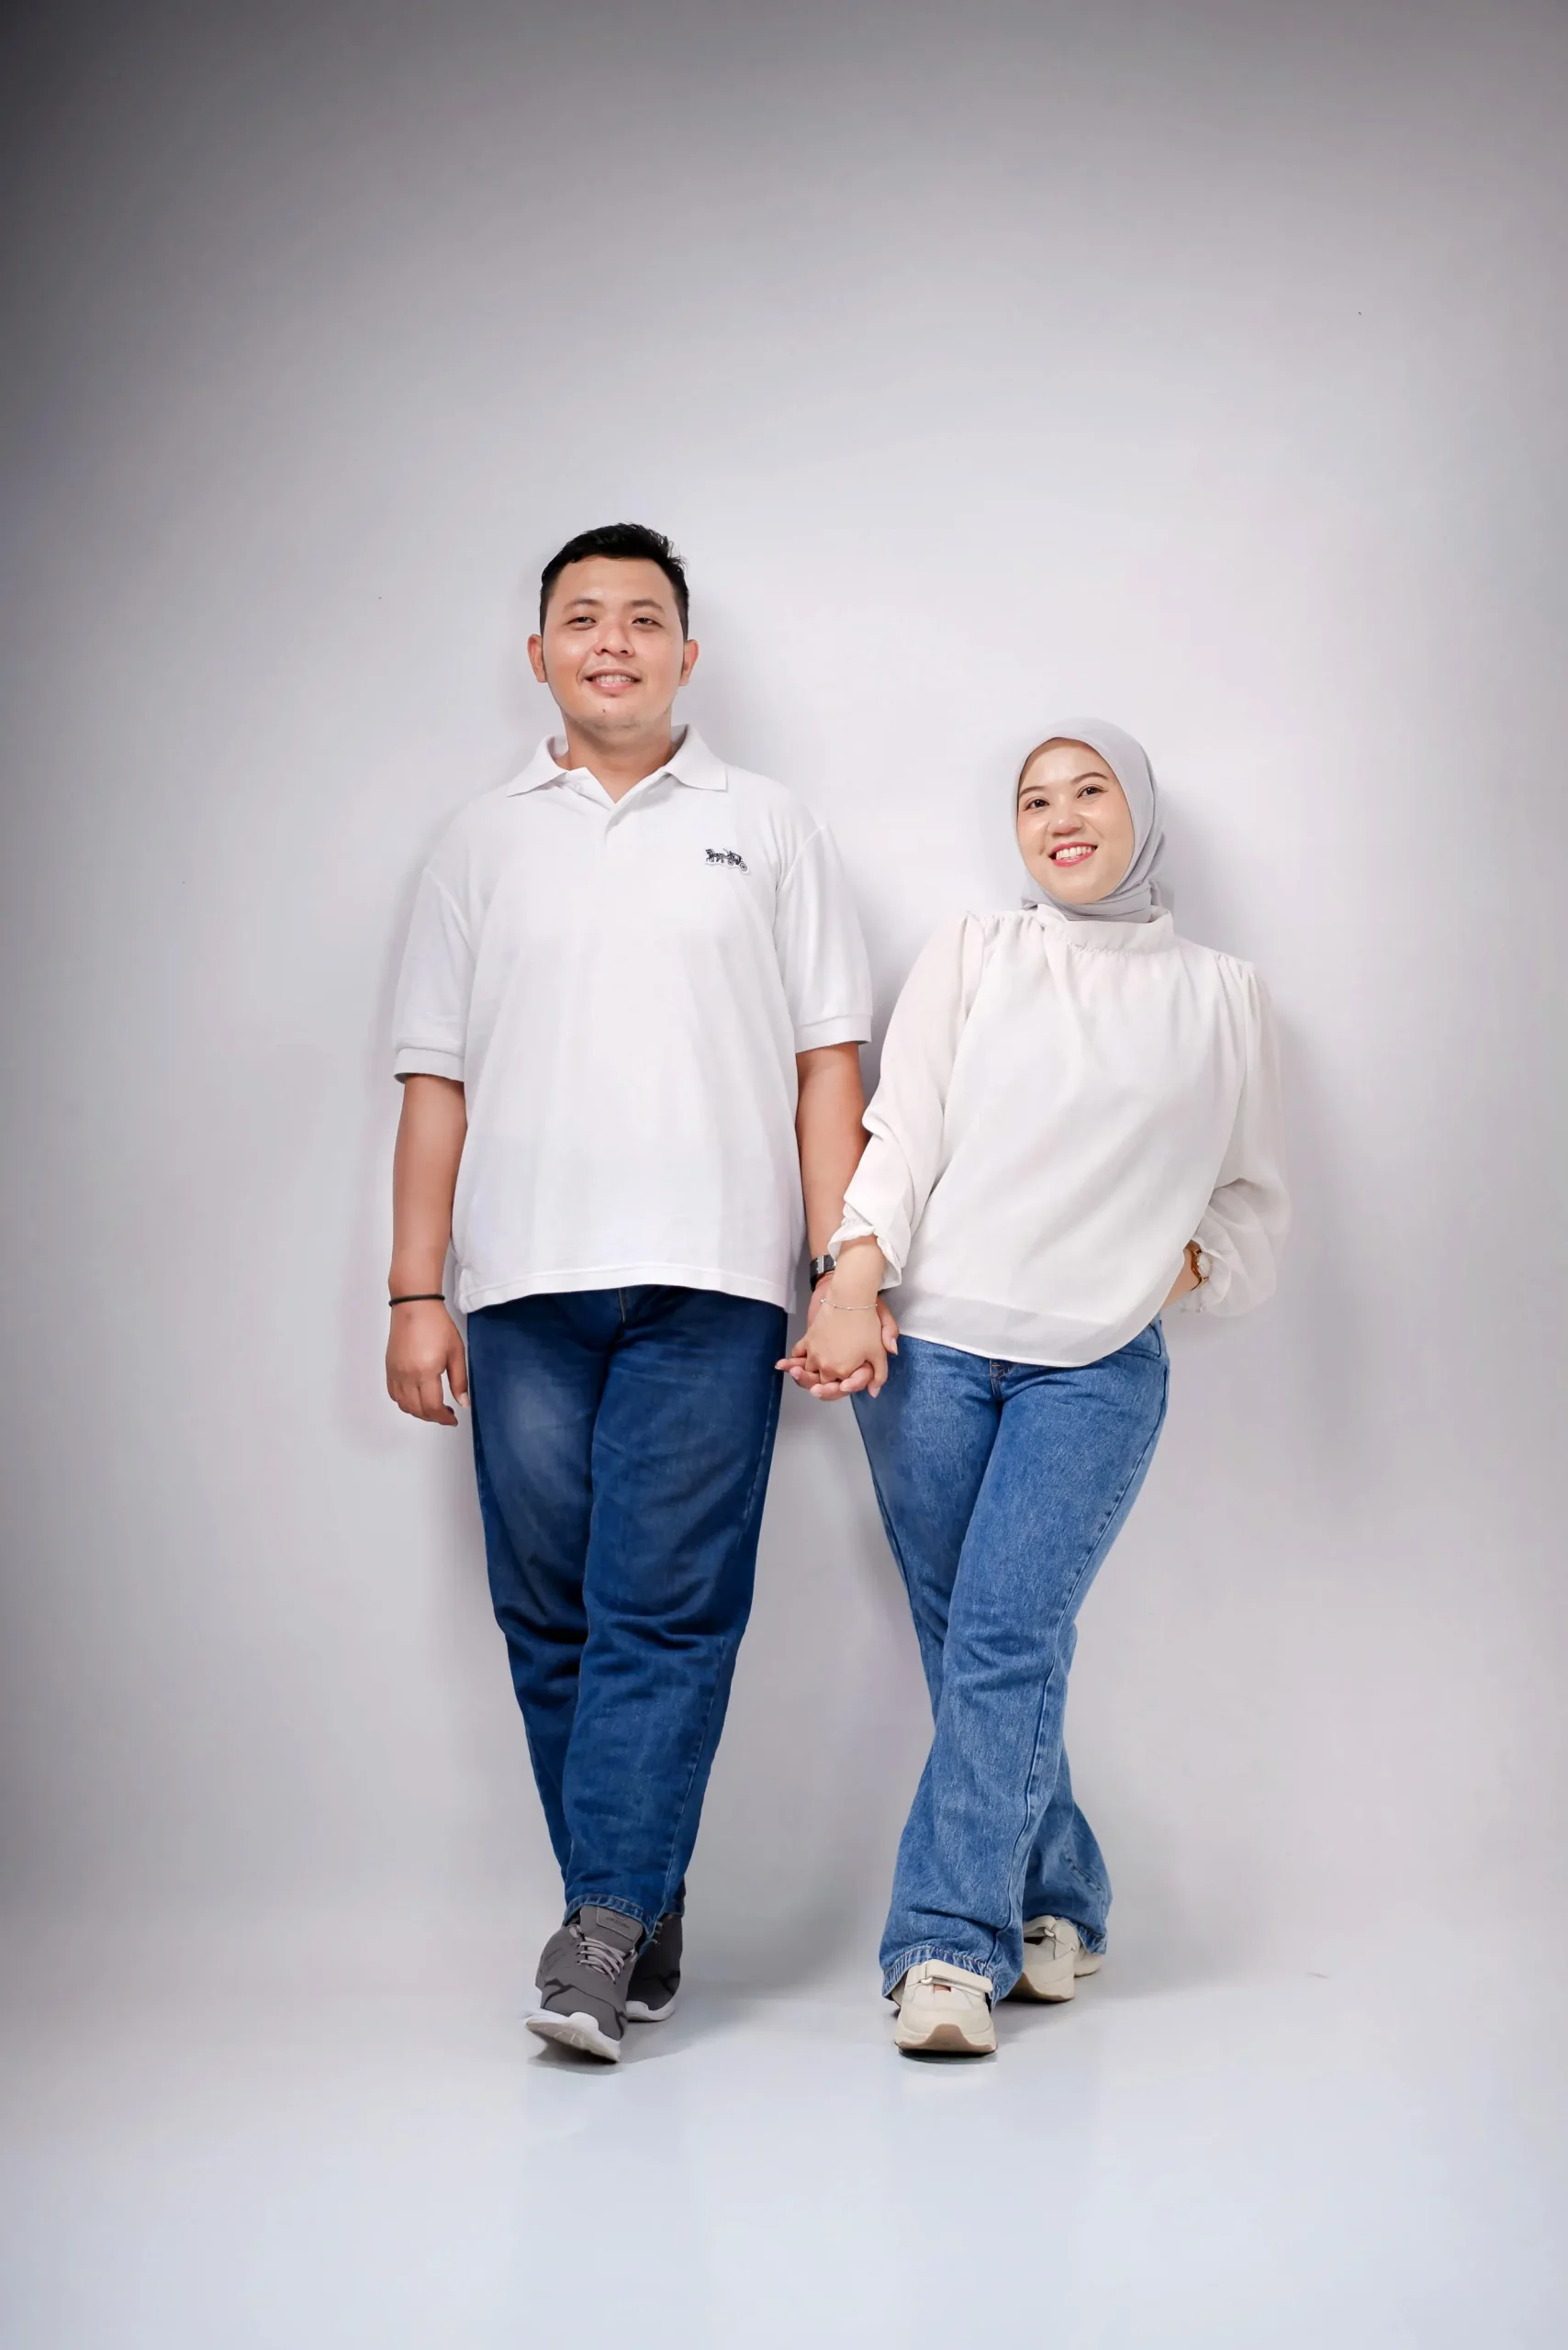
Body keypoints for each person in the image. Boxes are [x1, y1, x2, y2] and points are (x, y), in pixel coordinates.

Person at [386, 523, 872, 2062]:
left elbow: (828, 1066)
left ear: (687, 653)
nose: (614, 640)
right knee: (549, 1614)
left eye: (644, 618)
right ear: (538, 653)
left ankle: (595, 1930)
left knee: (662, 1608)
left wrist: (838, 1265)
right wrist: (412, 1291)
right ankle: (634, 1911)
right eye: (583, 618)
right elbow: (436, 1083)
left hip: (713, 1282)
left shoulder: (768, 824)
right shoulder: (477, 843)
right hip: (522, 1283)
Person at [785, 720, 1288, 2057]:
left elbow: (1251, 1204)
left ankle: (949, 1947)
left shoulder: (1223, 995)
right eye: (1034, 801)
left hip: (1097, 1366)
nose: (1062, 819)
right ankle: (1059, 1894)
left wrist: (1157, 1268)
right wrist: (850, 1283)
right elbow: (904, 1133)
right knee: (977, 1645)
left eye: (1090, 791)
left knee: (1002, 1638)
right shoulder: (975, 951)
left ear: (1141, 812)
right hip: (932, 1353)